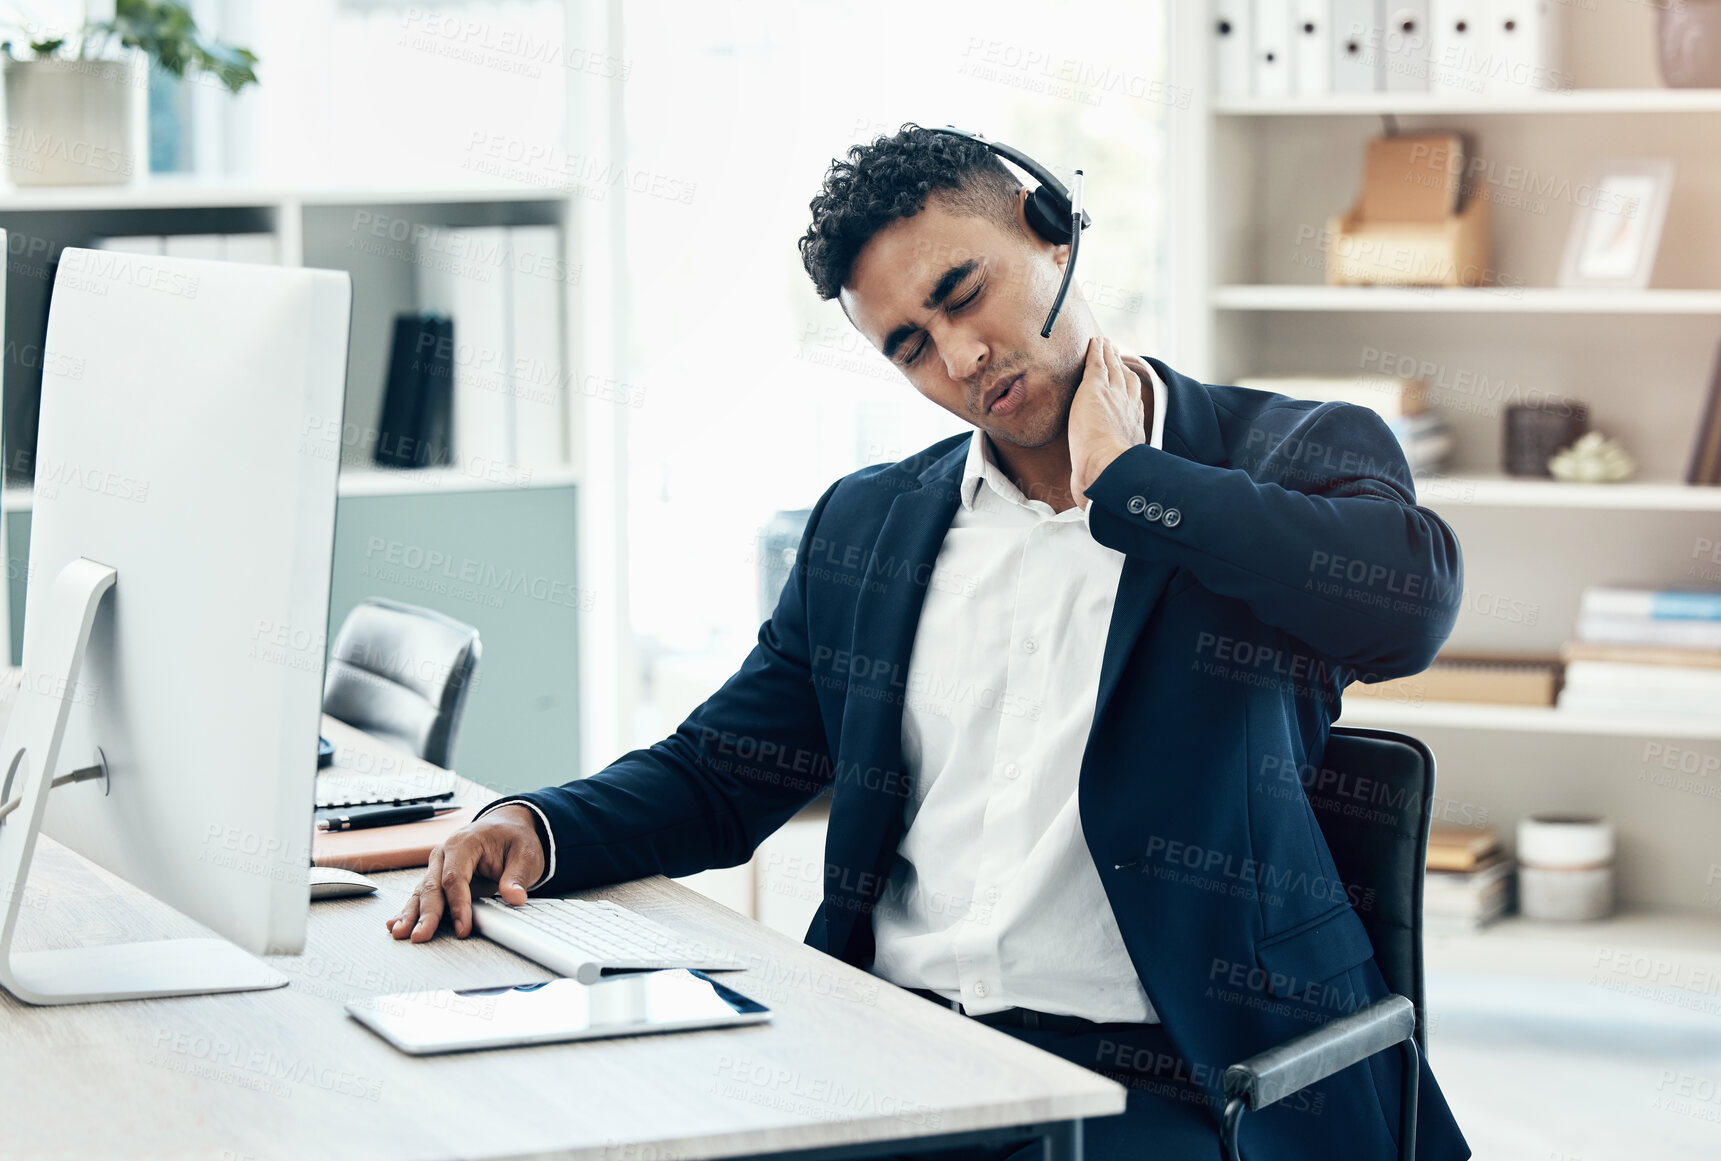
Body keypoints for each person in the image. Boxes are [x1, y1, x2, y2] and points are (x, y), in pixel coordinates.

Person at [388, 123, 1469, 1161]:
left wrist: (1131, 483)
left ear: (1048, 228)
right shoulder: (868, 527)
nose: (961, 356)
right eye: (909, 345)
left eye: (964, 293)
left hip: (1171, 1077)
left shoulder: (1279, 453)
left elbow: (1404, 610)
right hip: (889, 1048)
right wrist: (534, 827)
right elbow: (723, 772)